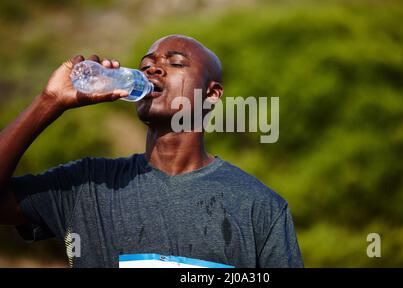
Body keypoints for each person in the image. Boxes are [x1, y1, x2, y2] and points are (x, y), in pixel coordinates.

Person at [0, 35, 303, 268]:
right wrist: (49, 101)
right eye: (145, 65)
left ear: (211, 95)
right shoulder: (87, 185)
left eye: (175, 63)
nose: (152, 69)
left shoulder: (259, 206)